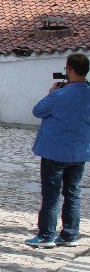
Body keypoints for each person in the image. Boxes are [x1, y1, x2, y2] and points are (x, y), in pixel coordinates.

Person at [24, 53, 90, 248]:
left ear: (69, 69)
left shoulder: (60, 95)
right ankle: (70, 234)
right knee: (73, 193)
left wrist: (51, 93)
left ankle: (46, 234)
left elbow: (38, 110)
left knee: (51, 194)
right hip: (79, 151)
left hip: (55, 151)